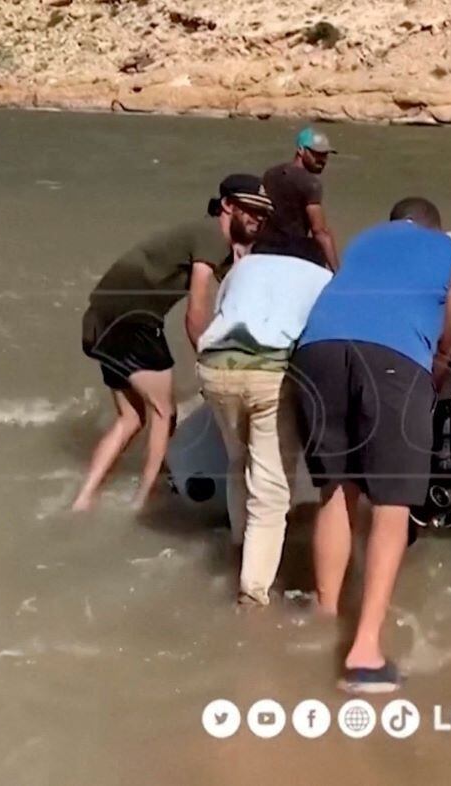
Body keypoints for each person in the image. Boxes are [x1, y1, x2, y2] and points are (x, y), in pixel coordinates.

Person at [289, 197, 451, 694]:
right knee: (392, 502)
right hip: (392, 360)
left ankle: (324, 614)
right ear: (436, 225)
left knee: (337, 488)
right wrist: (438, 370)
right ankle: (365, 651)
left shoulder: (366, 238)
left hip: (316, 352)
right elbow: (449, 333)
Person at [72, 174, 272, 512]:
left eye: (264, 213)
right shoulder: (212, 234)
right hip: (130, 317)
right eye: (250, 209)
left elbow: (239, 296)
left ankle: (83, 499)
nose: (258, 219)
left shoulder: (212, 244)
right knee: (165, 412)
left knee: (133, 418)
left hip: (100, 319)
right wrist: (210, 363)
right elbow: (195, 312)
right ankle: (145, 502)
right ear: (227, 206)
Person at [196, 225, 333, 606]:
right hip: (268, 371)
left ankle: (238, 548)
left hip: (213, 364)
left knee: (239, 461)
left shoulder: (243, 267)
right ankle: (253, 594)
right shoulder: (322, 277)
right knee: (271, 490)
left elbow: (219, 314)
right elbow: (324, 340)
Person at [257, 127, 340, 271]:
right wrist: (337, 272)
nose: (322, 160)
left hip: (263, 247)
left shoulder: (270, 173)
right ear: (301, 150)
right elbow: (320, 231)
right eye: (317, 154)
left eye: (325, 155)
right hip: (293, 252)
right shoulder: (311, 183)